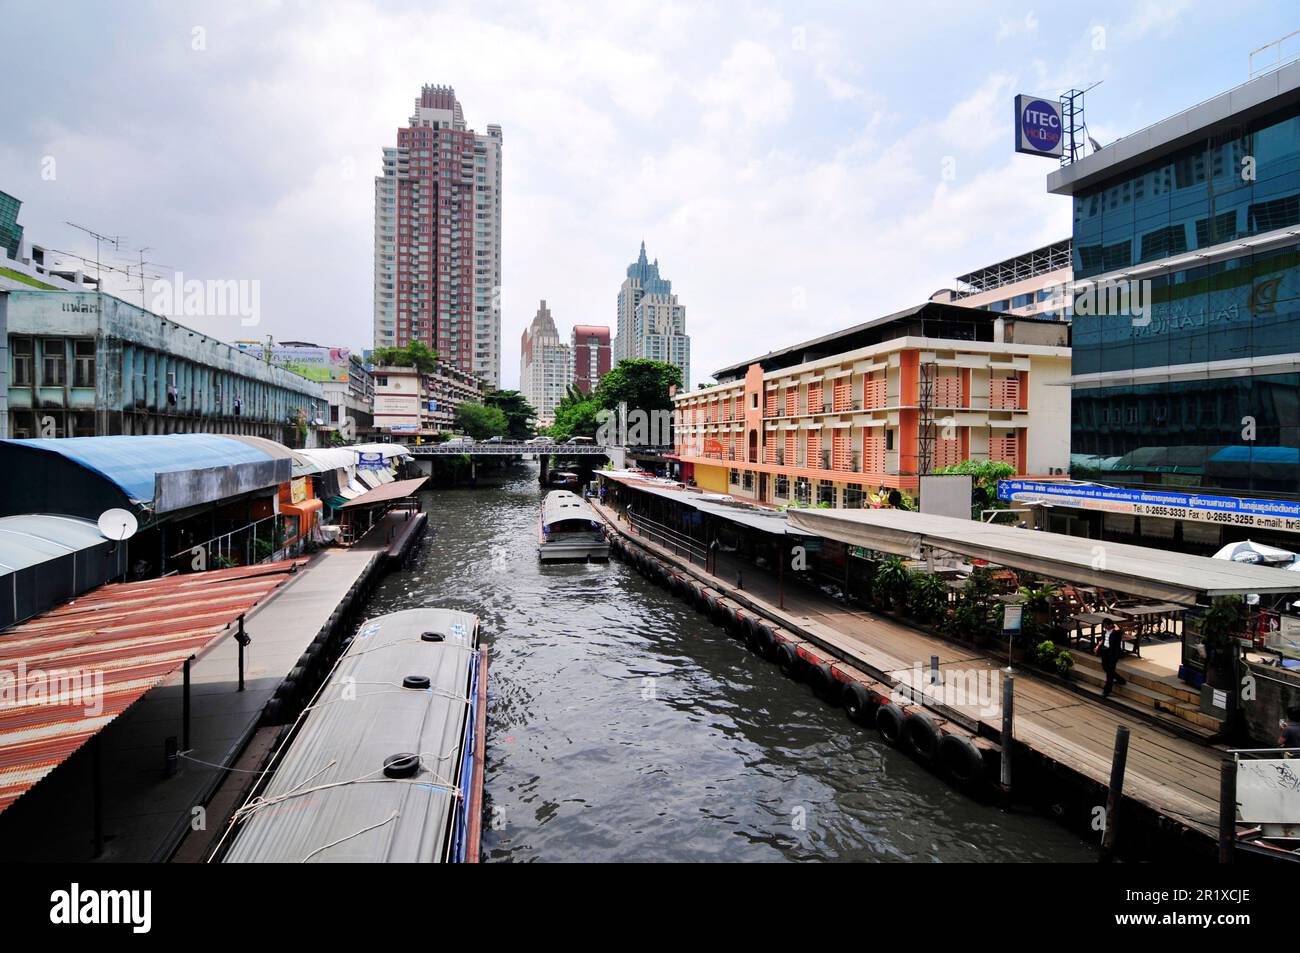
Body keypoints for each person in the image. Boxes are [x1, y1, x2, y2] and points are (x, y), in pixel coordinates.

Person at [1095, 619, 1127, 697]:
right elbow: (1103, 638)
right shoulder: (1105, 630)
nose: (1105, 627)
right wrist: (1098, 646)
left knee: (1110, 672)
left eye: (1106, 626)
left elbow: (1120, 631)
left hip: (1112, 653)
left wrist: (1116, 627)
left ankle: (1107, 690)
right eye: (1104, 626)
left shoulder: (1116, 632)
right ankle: (1120, 680)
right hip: (1104, 650)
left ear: (1110, 625)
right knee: (1104, 667)